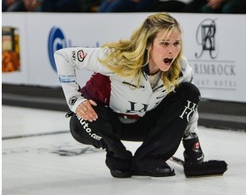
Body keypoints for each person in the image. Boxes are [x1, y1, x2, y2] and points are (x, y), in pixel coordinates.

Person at [54, 12, 204, 178]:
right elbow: (63, 56)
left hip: (143, 123)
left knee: (189, 91)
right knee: (80, 121)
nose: (172, 51)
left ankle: (148, 159)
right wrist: (75, 100)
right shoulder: (117, 58)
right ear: (148, 44)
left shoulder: (181, 69)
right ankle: (118, 156)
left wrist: (192, 143)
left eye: (176, 43)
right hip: (104, 123)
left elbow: (189, 108)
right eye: (164, 43)